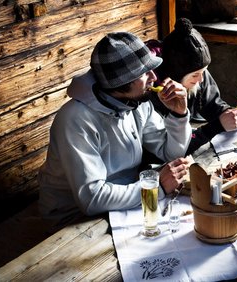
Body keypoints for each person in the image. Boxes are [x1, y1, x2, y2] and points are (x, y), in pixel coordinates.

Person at [37, 32, 192, 225]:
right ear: (121, 83)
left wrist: (179, 115)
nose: (154, 77)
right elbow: (92, 199)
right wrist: (155, 187)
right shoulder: (75, 119)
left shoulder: (137, 101)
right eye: (144, 73)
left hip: (126, 199)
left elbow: (170, 153)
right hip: (75, 218)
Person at [147, 18, 237, 156]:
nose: (201, 79)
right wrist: (216, 126)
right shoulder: (151, 92)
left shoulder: (197, 72)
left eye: (203, 72)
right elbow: (173, 150)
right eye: (196, 75)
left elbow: (214, 107)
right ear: (175, 76)